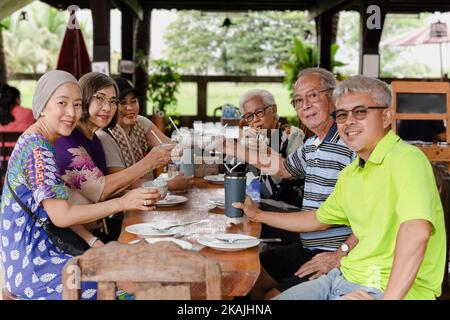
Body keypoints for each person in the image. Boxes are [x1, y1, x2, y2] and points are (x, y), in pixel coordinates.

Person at [235, 75, 446, 300]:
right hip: (343, 276)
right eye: (343, 115)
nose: (349, 122)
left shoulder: (406, 159)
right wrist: (257, 214)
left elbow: (416, 232)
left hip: (382, 288)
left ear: (386, 117)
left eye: (361, 112)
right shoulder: (353, 171)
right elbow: (317, 219)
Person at [0, 70, 161, 300]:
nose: (72, 113)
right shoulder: (38, 150)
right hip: (35, 266)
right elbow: (62, 217)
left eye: (77, 104)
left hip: (33, 256)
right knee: (129, 288)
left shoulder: (36, 140)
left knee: (133, 269)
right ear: (42, 106)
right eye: (62, 103)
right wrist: (123, 202)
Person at [220, 68, 356, 299]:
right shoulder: (314, 143)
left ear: (334, 97)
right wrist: (228, 147)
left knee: (270, 294)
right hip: (308, 246)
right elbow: (283, 168)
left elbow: (329, 220)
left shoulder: (349, 144)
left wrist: (341, 254)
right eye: (298, 100)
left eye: (313, 96)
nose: (305, 106)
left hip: (331, 252)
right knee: (245, 276)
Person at [54, 72, 173, 243]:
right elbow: (101, 191)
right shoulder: (67, 142)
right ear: (83, 99)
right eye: (100, 99)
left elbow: (104, 192)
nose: (107, 108)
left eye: (112, 102)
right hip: (72, 237)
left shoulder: (93, 138)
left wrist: (146, 193)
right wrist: (149, 163)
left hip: (97, 229)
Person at [96, 77, 193, 191]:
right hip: (127, 203)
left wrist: (192, 143)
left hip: (150, 195)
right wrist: (168, 185)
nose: (130, 108)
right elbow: (123, 184)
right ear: (111, 106)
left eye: (133, 101)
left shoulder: (140, 122)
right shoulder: (105, 136)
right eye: (123, 103)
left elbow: (171, 148)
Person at [237, 88, 305, 243]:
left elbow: (285, 180)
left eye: (259, 112)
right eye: (249, 116)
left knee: (238, 227)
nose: (255, 120)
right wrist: (242, 148)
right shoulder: (257, 138)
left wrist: (264, 152)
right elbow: (239, 173)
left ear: (273, 110)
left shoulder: (291, 135)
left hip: (288, 212)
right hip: (262, 204)